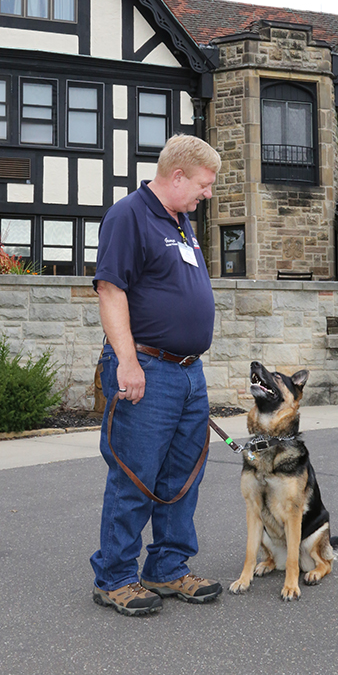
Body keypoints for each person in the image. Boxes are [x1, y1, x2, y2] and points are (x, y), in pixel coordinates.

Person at [90, 134, 223, 616]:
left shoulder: (181, 221)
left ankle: (167, 569)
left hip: (188, 373)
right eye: (204, 186)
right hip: (145, 367)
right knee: (135, 475)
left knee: (181, 476)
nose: (207, 195)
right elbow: (110, 289)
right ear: (178, 175)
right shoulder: (129, 214)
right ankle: (115, 578)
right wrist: (126, 362)